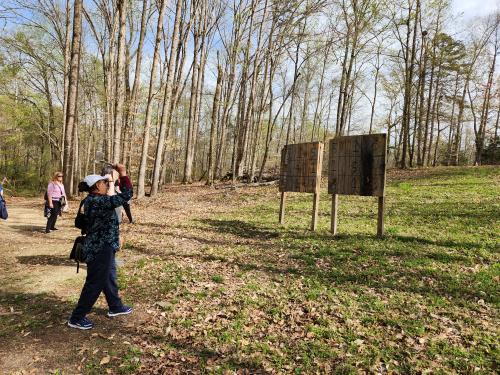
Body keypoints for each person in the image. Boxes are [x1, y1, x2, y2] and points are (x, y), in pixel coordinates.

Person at [68, 163, 133, 330]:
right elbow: (127, 195)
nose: (107, 185)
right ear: (97, 186)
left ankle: (115, 306)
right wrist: (124, 174)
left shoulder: (92, 200)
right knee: (95, 282)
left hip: (105, 245)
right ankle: (76, 317)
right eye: (105, 183)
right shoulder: (98, 201)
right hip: (99, 248)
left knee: (109, 275)